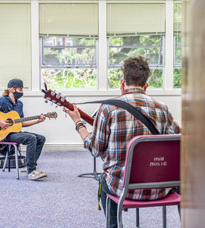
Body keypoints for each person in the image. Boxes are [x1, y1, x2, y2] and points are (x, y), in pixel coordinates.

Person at [63, 56, 181, 227]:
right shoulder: (162, 109)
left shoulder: (108, 108)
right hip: (160, 188)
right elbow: (177, 142)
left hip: (122, 188)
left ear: (122, 83)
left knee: (104, 179)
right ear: (146, 86)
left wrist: (78, 123)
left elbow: (95, 149)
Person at [0, 78, 47, 181]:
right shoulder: (2, 101)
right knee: (31, 138)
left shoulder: (19, 104)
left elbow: (21, 123)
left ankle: (31, 166)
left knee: (41, 138)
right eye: (20, 89)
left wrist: (37, 121)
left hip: (15, 132)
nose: (22, 92)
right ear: (12, 89)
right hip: (4, 135)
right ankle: (31, 171)